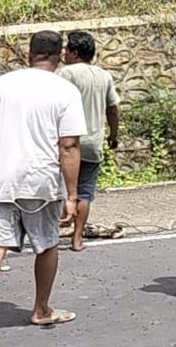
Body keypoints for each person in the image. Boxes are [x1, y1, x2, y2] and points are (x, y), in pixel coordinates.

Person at [0, 31, 86, 347]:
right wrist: (72, 195)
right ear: (60, 56)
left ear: (30, 54)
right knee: (46, 244)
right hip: (41, 182)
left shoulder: (5, 84)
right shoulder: (65, 90)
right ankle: (41, 309)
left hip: (3, 179)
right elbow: (69, 145)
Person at [57, 31, 120, 251]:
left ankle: (52, 232)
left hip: (67, 142)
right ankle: (77, 239)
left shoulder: (67, 73)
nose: (64, 53)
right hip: (93, 142)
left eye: (66, 49)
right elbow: (112, 109)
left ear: (74, 52)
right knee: (84, 193)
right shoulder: (104, 75)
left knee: (59, 189)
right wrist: (114, 135)